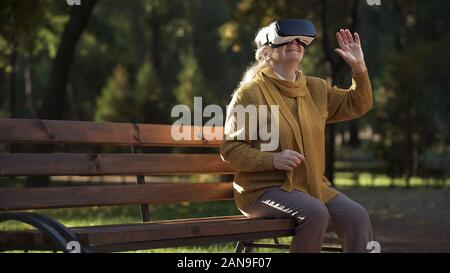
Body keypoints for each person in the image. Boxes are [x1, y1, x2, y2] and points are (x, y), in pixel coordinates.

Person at [220, 19, 374, 253]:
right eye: (287, 39)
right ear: (266, 52)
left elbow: (358, 104)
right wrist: (272, 159)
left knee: (356, 216)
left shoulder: (316, 89)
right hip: (262, 190)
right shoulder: (251, 93)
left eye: (300, 40)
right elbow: (231, 149)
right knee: (315, 213)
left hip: (312, 188)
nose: (296, 43)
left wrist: (359, 69)